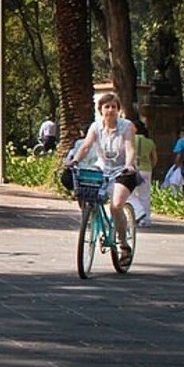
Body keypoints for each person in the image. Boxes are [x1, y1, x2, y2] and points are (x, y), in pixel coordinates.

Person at [65, 92, 138, 264]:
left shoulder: (126, 126)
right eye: (107, 107)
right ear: (100, 110)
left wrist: (129, 164)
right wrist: (75, 160)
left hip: (122, 171)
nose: (110, 110)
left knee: (116, 205)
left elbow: (130, 148)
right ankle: (90, 218)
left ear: (118, 109)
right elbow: (85, 146)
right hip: (102, 169)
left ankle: (124, 245)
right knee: (85, 192)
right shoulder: (96, 127)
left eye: (114, 107)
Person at [129, 119, 157, 226]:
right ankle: (146, 219)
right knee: (145, 195)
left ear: (135, 128)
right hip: (146, 170)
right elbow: (154, 158)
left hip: (133, 169)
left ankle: (137, 213)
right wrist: (150, 167)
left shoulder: (130, 139)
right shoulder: (150, 142)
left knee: (130, 194)